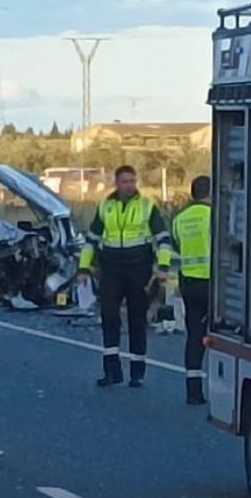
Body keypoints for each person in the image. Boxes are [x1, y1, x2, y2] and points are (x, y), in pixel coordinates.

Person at [78, 165, 172, 387]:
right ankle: (112, 372)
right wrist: (83, 269)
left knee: (136, 320)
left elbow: (164, 239)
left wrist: (163, 267)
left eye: (132, 181)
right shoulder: (105, 207)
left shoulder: (147, 207)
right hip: (110, 269)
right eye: (125, 181)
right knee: (109, 318)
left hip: (139, 268)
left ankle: (137, 373)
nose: (130, 185)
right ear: (117, 184)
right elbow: (91, 240)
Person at [172, 175, 212, 404]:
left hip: (188, 282)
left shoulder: (180, 218)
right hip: (210, 282)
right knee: (221, 335)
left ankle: (193, 391)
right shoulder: (212, 215)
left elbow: (177, 246)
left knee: (194, 336)